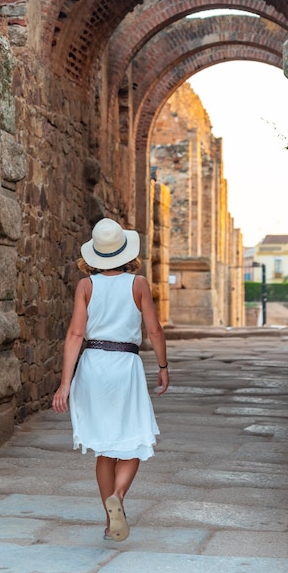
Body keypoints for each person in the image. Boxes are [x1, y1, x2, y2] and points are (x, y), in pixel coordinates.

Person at [52, 217, 169, 542]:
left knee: (104, 448)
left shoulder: (86, 286)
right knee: (132, 440)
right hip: (125, 367)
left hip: (92, 367)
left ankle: (109, 520)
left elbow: (75, 334)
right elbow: (155, 330)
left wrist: (66, 383)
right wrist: (163, 366)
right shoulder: (139, 284)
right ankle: (118, 494)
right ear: (125, 252)